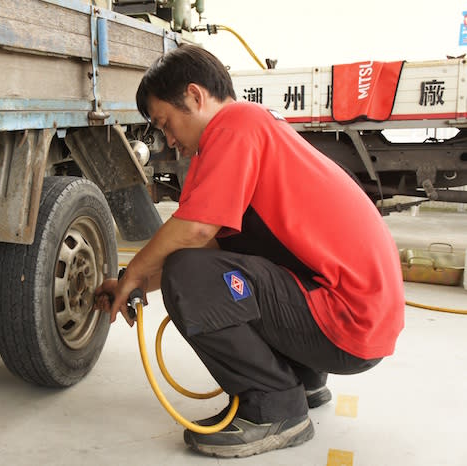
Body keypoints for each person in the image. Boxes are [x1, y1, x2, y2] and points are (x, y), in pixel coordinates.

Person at [93, 44, 405, 458]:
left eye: (166, 123)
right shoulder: (252, 131)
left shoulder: (235, 125)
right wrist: (132, 286)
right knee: (200, 269)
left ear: (195, 96)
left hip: (348, 320)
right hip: (358, 317)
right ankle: (302, 378)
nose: (168, 140)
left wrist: (134, 271)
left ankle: (274, 409)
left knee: (188, 273)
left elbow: (196, 233)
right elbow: (213, 241)